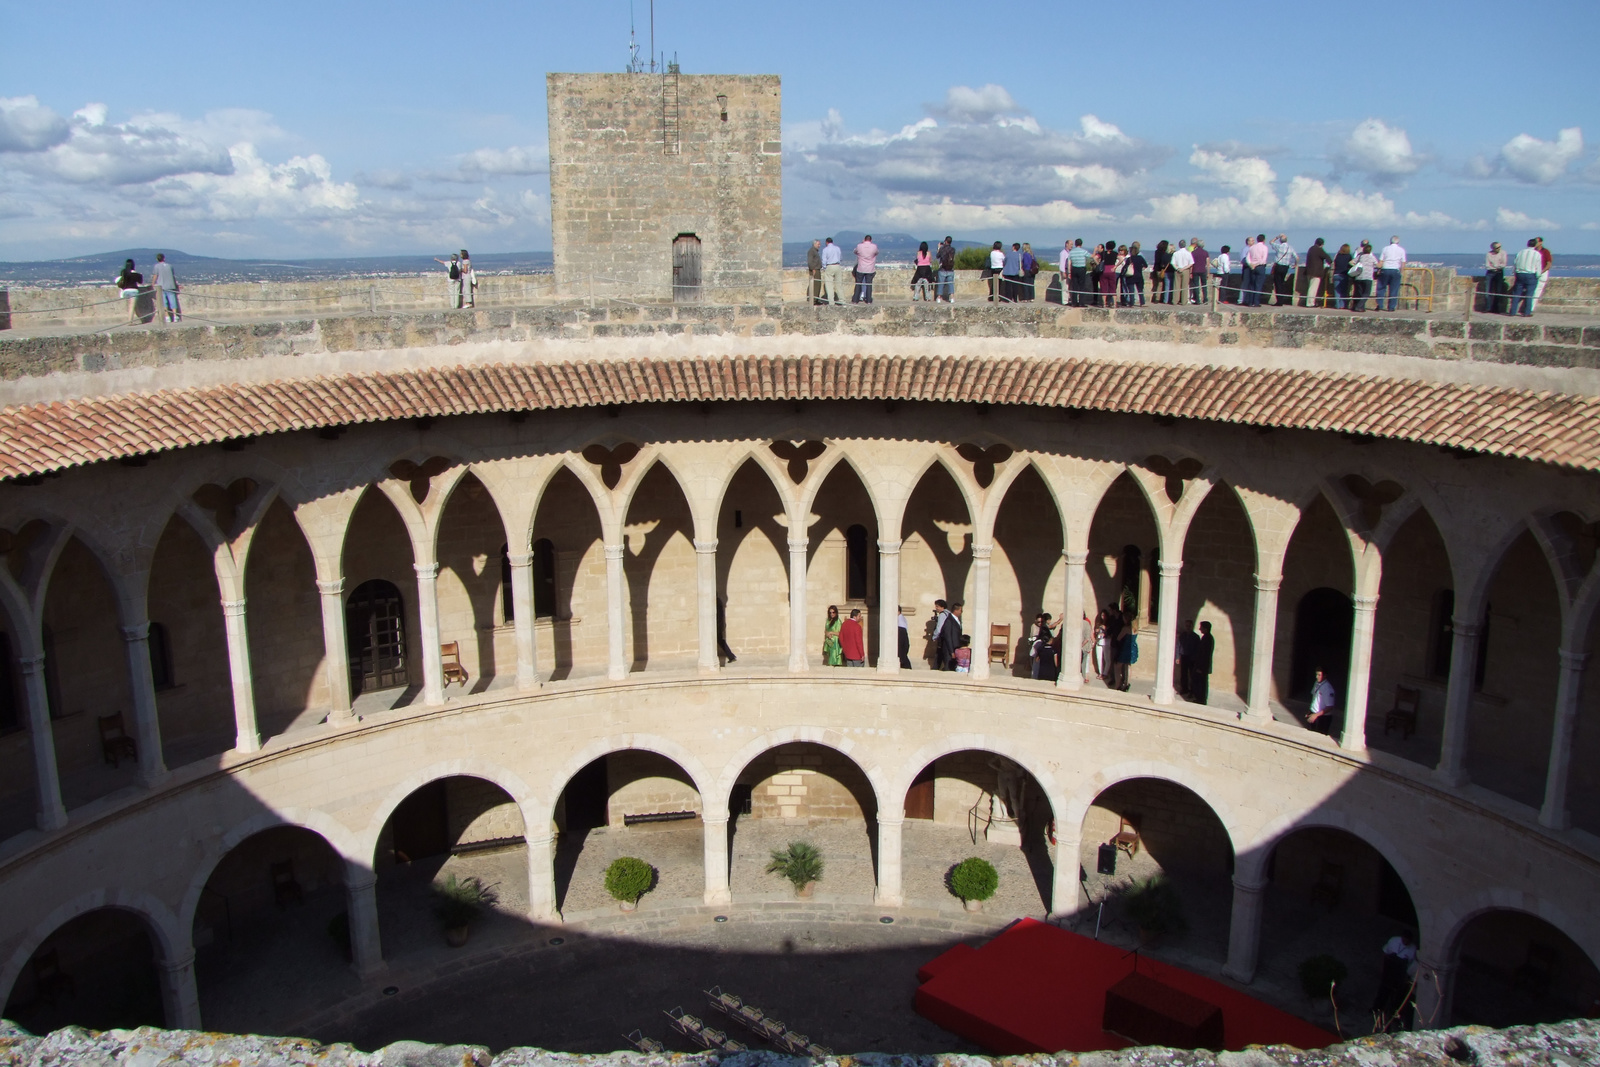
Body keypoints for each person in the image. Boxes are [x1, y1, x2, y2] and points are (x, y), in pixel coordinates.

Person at [1372, 930, 1418, 1030]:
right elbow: (1385, 953)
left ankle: (1393, 1013)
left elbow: (1411, 966)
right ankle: (1376, 1007)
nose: (1405, 942)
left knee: (1396, 995)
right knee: (1383, 989)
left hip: (1400, 974)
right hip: (1389, 970)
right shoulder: (1394, 941)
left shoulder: (1413, 949)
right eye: (1404, 939)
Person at [1510, 238, 1542, 317]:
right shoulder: (1537, 254)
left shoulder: (1520, 252)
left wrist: (1514, 273)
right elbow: (1538, 267)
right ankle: (1527, 312)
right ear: (1534, 245)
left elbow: (1515, 263)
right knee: (1529, 294)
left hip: (1519, 274)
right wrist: (1538, 276)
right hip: (1530, 275)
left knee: (1516, 293)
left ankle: (1512, 312)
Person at [1377, 235, 1406, 312]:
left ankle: (1380, 305)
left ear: (1390, 241)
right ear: (1398, 242)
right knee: (1394, 289)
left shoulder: (1385, 249)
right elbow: (1403, 262)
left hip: (1385, 269)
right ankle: (1391, 307)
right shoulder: (1401, 250)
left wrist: (1379, 269)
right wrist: (1401, 272)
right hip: (1395, 270)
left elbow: (1381, 261)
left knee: (1381, 288)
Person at [1269, 233, 1298, 306]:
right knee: (1282, 283)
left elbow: (1271, 242)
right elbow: (1297, 257)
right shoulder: (1290, 248)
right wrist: (1295, 264)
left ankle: (1279, 301)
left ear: (1280, 241)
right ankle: (1281, 300)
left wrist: (1277, 236)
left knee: (1277, 283)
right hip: (1286, 267)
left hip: (1279, 266)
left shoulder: (1279, 246)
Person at [1300, 238, 1330, 307]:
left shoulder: (1311, 249)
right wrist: (1331, 263)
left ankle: (1310, 302)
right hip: (1316, 272)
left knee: (1310, 287)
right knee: (1313, 288)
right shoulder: (1319, 250)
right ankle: (1310, 303)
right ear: (1321, 244)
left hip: (1309, 271)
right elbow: (1326, 256)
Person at [1306, 668, 1338, 734]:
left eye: (1319, 675)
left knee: (1319, 735)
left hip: (1322, 717)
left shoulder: (1327, 688)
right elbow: (1314, 699)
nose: (1317, 677)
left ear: (1325, 676)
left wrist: (1316, 715)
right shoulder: (1317, 683)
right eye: (1316, 674)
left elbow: (1330, 707)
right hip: (1314, 713)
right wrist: (1310, 711)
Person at [1349, 241, 1378, 312]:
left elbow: (1351, 262)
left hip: (1359, 276)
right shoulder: (1372, 257)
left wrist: (1356, 266)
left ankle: (1360, 307)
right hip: (1368, 277)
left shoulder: (1360, 256)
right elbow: (1378, 265)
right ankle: (1359, 306)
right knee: (1366, 293)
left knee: (1360, 293)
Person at [152, 253, 181, 324]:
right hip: (171, 286)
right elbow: (173, 276)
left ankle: (167, 316)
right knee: (173, 301)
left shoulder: (156, 266)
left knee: (164, 303)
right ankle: (175, 316)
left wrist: (152, 283)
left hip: (161, 287)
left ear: (157, 259)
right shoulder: (170, 266)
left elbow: (155, 275)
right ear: (164, 258)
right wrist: (176, 285)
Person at [1243, 235, 1270, 307]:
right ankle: (1256, 302)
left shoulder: (1252, 247)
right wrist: (1257, 264)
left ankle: (1250, 302)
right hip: (1260, 267)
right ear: (1264, 240)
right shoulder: (1264, 247)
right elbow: (1263, 259)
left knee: (1252, 285)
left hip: (1252, 267)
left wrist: (1251, 264)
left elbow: (1247, 258)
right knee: (1258, 285)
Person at [1030, 613, 1058, 681]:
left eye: (1041, 622)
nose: (1040, 623)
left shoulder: (1045, 628)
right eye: (1038, 622)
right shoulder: (1037, 627)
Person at [1192, 621, 1214, 705]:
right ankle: (1200, 698)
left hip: (1202, 666)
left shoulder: (1207, 639)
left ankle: (1201, 699)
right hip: (1202, 666)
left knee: (1201, 683)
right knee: (1201, 682)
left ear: (1205, 628)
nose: (1199, 629)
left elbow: (1205, 655)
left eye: (1201, 627)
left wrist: (1200, 668)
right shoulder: (1206, 637)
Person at [853, 235, 878, 304]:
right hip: (870, 269)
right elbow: (876, 253)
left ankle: (855, 299)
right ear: (871, 240)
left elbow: (855, 251)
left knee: (858, 284)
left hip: (861, 268)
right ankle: (869, 300)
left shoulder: (859, 246)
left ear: (864, 239)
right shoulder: (874, 246)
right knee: (869, 285)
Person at [1176, 618, 1199, 697]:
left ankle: (1192, 691)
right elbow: (1178, 646)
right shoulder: (1183, 635)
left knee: (1192, 675)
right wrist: (1177, 657)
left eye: (1189, 626)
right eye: (1186, 626)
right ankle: (1184, 689)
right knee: (1183, 674)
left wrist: (1195, 658)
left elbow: (1197, 649)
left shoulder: (1195, 637)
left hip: (1191, 658)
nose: (1188, 627)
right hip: (1184, 656)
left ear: (1192, 626)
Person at [116, 258, 144, 323]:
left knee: (134, 306)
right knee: (132, 306)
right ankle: (130, 321)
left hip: (125, 291)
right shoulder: (136, 275)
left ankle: (142, 319)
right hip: (133, 291)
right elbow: (140, 282)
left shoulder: (124, 273)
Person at [939, 602, 965, 670]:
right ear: (955, 610)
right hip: (949, 650)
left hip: (956, 649)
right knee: (948, 667)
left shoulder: (956, 620)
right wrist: (951, 651)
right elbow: (947, 637)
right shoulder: (949, 621)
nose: (961, 612)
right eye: (960, 610)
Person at [1484, 241, 1507, 314]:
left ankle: (1496, 308)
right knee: (1488, 291)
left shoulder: (1503, 253)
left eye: (1500, 247)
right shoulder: (1489, 254)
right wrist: (1495, 267)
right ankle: (1488, 308)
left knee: (1498, 291)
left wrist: (1495, 267)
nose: (1499, 249)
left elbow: (1503, 264)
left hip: (1499, 272)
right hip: (1490, 273)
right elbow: (1487, 265)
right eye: (1497, 247)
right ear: (1493, 248)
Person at [821, 237, 845, 306]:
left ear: (826, 242)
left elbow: (824, 260)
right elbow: (841, 258)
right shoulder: (837, 248)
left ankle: (831, 302)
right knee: (839, 284)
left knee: (829, 285)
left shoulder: (825, 250)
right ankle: (842, 300)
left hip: (830, 266)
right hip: (837, 266)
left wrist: (825, 267)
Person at [1170, 239, 1194, 305]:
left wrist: (1178, 268)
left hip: (1178, 270)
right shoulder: (1188, 253)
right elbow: (1191, 263)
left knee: (1176, 286)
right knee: (1185, 286)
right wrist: (1184, 268)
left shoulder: (1176, 253)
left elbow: (1173, 263)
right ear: (1185, 245)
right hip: (1185, 270)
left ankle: (1175, 301)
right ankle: (1184, 301)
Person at [1066, 239, 1089, 307]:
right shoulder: (1083, 251)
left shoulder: (1071, 252)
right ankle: (1081, 302)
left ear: (1075, 244)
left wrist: (1069, 272)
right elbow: (1091, 256)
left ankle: (1074, 302)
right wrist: (1094, 251)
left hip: (1074, 269)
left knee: (1074, 286)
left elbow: (1069, 263)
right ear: (1081, 244)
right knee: (1082, 286)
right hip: (1081, 269)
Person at [1532, 236, 1552, 312]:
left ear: (1541, 242)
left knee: (1537, 291)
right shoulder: (1532, 251)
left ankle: (1531, 308)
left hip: (1542, 273)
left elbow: (1548, 264)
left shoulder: (1546, 251)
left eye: (1536, 242)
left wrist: (1542, 272)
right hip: (1533, 272)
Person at [1331, 243, 1353, 309]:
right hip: (1344, 275)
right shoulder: (1349, 256)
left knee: (1337, 291)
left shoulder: (1337, 256)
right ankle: (1342, 305)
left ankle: (1337, 305)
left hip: (1336, 274)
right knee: (1344, 291)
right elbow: (1351, 265)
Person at [716, 597, 737, 664]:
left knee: (720, 641)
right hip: (720, 625)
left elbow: (718, 616)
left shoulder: (716, 603)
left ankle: (731, 656)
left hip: (718, 626)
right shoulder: (718, 601)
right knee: (721, 641)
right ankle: (731, 656)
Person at [1127, 241, 1148, 306]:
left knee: (1131, 291)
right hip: (1138, 275)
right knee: (1140, 290)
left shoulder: (1129, 259)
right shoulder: (1140, 258)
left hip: (1131, 276)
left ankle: (1131, 303)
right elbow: (1146, 265)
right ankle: (1142, 302)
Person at [1151, 240, 1172, 304]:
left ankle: (1156, 297)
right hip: (1161, 270)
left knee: (1157, 284)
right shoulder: (1163, 253)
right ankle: (1158, 298)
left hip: (1156, 269)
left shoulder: (1157, 252)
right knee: (1160, 284)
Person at [936, 237, 956, 303]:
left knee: (941, 284)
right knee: (950, 284)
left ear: (945, 241)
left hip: (942, 269)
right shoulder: (953, 249)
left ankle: (939, 297)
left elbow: (937, 256)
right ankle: (952, 297)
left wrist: (938, 248)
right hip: (950, 269)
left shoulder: (942, 249)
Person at [1190, 239, 1209, 306]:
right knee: (1204, 286)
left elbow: (1192, 263)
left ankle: (1197, 300)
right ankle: (1205, 299)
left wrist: (1190, 272)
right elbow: (1207, 263)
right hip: (1203, 270)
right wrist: (1208, 272)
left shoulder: (1193, 253)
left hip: (1195, 270)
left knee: (1196, 285)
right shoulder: (1205, 252)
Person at [807, 239, 824, 305]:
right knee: (815, 285)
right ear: (814, 244)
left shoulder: (815, 251)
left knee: (817, 284)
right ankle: (813, 300)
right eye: (818, 244)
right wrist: (813, 269)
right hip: (815, 270)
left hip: (817, 269)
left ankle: (816, 299)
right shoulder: (811, 251)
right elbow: (810, 261)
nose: (819, 245)